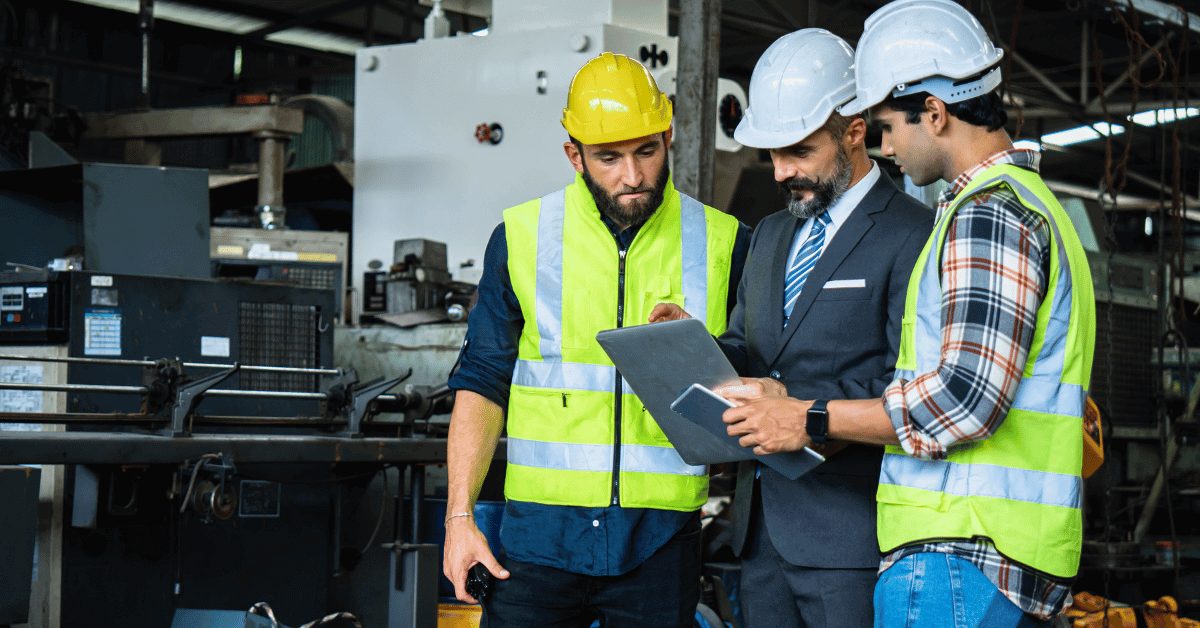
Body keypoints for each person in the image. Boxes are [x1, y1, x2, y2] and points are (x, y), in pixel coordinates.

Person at [719, 1, 1097, 626]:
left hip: (963, 548)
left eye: (888, 127)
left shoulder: (987, 215)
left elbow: (962, 398)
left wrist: (808, 416)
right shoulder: (1016, 207)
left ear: (936, 112)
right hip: (985, 550)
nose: (886, 146)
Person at [443, 51, 751, 628]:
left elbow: (759, 379)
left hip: (659, 543)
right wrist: (459, 519)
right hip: (536, 545)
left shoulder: (724, 242)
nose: (632, 176)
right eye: (609, 158)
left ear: (668, 137)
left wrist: (703, 354)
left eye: (646, 152)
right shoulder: (520, 238)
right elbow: (483, 382)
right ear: (574, 156)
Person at [650, 28, 932, 628]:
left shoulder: (913, 234)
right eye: (771, 155)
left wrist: (804, 416)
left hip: (852, 536)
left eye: (798, 152)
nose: (780, 173)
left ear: (854, 131)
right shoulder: (772, 235)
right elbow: (747, 351)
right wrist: (691, 346)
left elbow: (911, 388)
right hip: (759, 536)